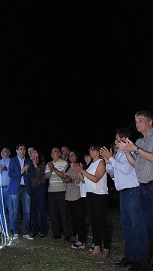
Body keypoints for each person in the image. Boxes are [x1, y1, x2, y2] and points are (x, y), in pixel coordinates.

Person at [100, 127, 149, 270]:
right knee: (127, 227)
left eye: (117, 139)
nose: (115, 142)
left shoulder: (131, 151)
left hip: (134, 191)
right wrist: (109, 162)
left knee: (137, 227)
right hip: (123, 193)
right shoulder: (119, 154)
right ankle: (130, 256)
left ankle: (142, 260)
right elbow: (113, 173)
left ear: (124, 139)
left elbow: (127, 169)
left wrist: (111, 159)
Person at [119, 110, 153, 271]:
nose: (137, 123)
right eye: (136, 121)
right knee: (143, 227)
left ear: (150, 121)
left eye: (140, 120)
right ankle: (142, 261)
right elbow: (135, 164)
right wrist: (127, 152)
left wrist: (136, 150)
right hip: (143, 187)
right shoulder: (139, 142)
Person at [72, 144, 110, 259]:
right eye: (90, 150)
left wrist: (82, 171)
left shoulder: (101, 163)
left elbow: (96, 178)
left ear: (99, 152)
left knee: (102, 222)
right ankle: (97, 247)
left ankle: (107, 248)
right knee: (93, 222)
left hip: (100, 195)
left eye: (93, 150)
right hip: (90, 195)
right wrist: (78, 172)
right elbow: (86, 181)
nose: (91, 152)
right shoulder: (91, 164)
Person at [8, 144, 34, 240]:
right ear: (17, 151)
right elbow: (10, 174)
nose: (22, 151)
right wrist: (21, 171)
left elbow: (32, 175)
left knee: (27, 211)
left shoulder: (28, 161)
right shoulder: (13, 160)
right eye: (21, 149)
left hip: (26, 188)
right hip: (15, 188)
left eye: (24, 149)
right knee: (15, 211)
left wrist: (27, 171)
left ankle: (26, 232)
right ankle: (16, 232)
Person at [44, 147, 72, 240]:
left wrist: (54, 168)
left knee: (63, 213)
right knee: (53, 213)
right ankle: (56, 233)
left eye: (54, 151)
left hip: (61, 190)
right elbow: (45, 176)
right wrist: (51, 169)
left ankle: (67, 233)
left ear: (59, 154)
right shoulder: (49, 164)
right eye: (51, 152)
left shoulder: (64, 163)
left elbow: (63, 175)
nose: (52, 153)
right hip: (51, 191)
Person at [29, 147, 48, 237]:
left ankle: (43, 230)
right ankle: (34, 229)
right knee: (33, 210)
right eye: (32, 153)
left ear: (39, 154)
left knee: (41, 209)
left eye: (35, 152)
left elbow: (41, 176)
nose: (33, 153)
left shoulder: (43, 163)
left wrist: (36, 165)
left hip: (40, 187)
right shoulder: (29, 164)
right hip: (32, 188)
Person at [62, 149, 81, 243]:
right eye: (69, 156)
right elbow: (65, 177)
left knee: (77, 217)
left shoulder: (79, 166)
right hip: (68, 195)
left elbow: (81, 181)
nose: (70, 157)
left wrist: (71, 180)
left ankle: (79, 236)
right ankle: (74, 234)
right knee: (71, 217)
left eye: (72, 155)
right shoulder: (67, 166)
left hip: (77, 195)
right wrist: (66, 179)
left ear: (76, 156)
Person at [0, 147, 13, 233]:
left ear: (9, 153)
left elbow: (14, 173)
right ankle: (3, 227)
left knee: (11, 208)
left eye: (5, 151)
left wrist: (7, 169)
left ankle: (12, 227)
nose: (3, 152)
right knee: (1, 209)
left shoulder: (12, 161)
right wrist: (0, 170)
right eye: (2, 151)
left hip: (9, 187)